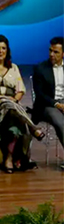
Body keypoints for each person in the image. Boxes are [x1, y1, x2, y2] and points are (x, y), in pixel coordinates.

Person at [0, 35, 46, 173]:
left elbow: (20, 90)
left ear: (7, 51)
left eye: (3, 48)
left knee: (12, 116)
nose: (0, 51)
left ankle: (9, 158)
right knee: (6, 103)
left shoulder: (14, 68)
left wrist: (14, 100)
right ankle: (32, 128)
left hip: (12, 107)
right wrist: (4, 98)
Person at [32, 37, 64, 169]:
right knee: (60, 122)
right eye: (50, 51)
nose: (51, 54)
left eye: (56, 52)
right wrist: (58, 105)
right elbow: (40, 94)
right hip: (48, 105)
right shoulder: (40, 68)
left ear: (63, 53)